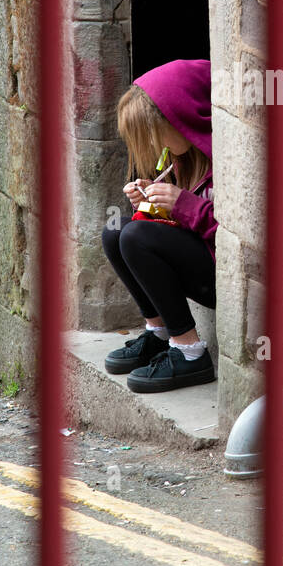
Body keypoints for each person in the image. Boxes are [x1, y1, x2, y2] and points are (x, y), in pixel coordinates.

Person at [101, 58, 217, 393]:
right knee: (116, 231)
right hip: (200, 263)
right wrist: (150, 207)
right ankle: (159, 332)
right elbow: (180, 230)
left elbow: (235, 236)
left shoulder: (228, 158)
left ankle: (190, 352)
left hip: (221, 275)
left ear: (181, 115)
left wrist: (182, 204)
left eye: (153, 134)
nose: (153, 147)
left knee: (136, 236)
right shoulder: (182, 160)